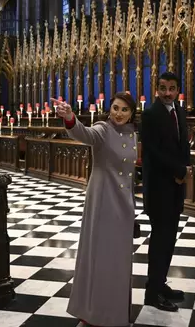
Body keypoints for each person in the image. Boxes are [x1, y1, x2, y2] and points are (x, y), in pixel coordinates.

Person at [54, 92, 138, 327]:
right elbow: (84, 134)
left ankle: (115, 313)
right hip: (103, 200)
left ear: (132, 113)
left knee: (118, 260)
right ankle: (94, 314)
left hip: (124, 204)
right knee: (101, 257)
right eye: (115, 108)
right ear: (109, 109)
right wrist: (70, 117)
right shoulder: (102, 129)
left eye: (124, 110)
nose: (119, 114)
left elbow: (129, 169)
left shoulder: (132, 133)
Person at [141, 72, 191, 312]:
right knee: (160, 240)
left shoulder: (179, 111)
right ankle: (152, 293)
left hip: (176, 186)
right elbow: (152, 151)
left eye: (172, 88)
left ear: (178, 89)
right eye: (163, 88)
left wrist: (186, 169)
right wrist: (178, 169)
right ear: (157, 89)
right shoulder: (150, 114)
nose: (167, 93)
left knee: (170, 238)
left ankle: (160, 284)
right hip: (160, 187)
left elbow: (184, 144)